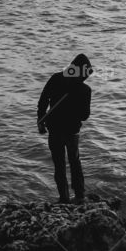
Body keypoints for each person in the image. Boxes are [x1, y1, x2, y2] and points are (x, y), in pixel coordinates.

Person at [37, 54, 92, 203]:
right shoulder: (85, 90)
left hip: (54, 129)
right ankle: (80, 196)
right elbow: (84, 116)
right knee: (75, 162)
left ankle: (64, 198)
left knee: (59, 164)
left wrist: (40, 119)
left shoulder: (56, 78)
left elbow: (43, 100)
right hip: (72, 131)